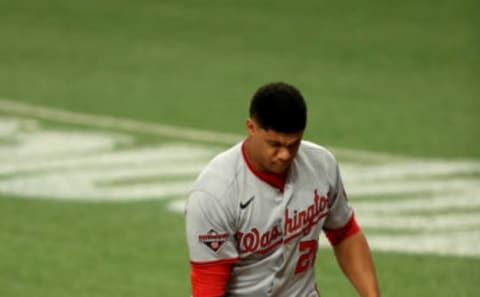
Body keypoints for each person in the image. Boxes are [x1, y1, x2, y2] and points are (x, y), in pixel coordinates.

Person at [185, 82, 380, 297]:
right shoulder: (215, 193)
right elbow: (208, 284)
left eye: (293, 144)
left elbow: (344, 233)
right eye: (275, 144)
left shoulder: (321, 165)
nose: (285, 155)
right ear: (251, 128)